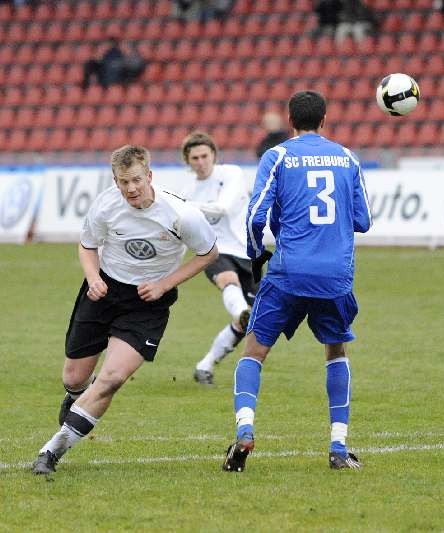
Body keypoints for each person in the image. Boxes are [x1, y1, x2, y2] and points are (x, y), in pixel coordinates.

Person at [32, 145, 218, 475]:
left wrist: (164, 284)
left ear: (149, 176)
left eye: (136, 180)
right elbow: (88, 245)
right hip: (104, 291)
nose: (131, 188)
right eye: (123, 182)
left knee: (112, 378)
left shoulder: (181, 214)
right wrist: (93, 278)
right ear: (115, 181)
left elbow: (209, 253)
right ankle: (79, 398)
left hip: (147, 303)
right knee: (74, 378)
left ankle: (51, 451)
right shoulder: (106, 205)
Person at [222, 90, 372, 472]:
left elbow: (255, 215)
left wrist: (256, 254)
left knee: (253, 353)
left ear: (290, 121)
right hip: (335, 277)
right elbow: (364, 220)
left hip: (288, 273)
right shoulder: (348, 158)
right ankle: (338, 447)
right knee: (336, 352)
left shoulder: (278, 156)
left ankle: (245, 430)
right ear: (324, 120)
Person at [179, 132, 256, 385]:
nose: (201, 162)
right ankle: (241, 310)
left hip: (247, 252)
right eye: (195, 158)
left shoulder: (231, 174)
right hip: (214, 250)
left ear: (214, 155)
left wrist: (187, 205)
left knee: (253, 321)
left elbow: (223, 208)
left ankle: (205, 365)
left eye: (205, 156)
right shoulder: (188, 191)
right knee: (227, 279)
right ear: (187, 161)